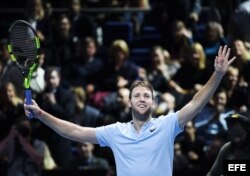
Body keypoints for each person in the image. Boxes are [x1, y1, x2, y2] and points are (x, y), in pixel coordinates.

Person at [24, 45, 235, 176]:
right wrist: (42, 114)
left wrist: (217, 75)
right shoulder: (116, 131)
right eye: (137, 96)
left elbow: (196, 103)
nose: (142, 99)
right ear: (129, 103)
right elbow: (75, 132)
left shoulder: (167, 125)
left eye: (147, 96)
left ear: (152, 102)